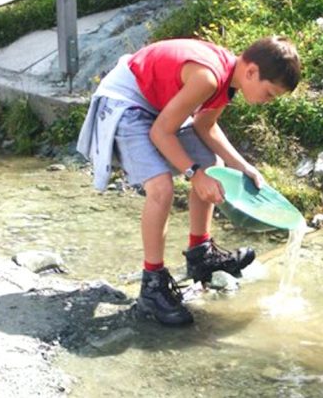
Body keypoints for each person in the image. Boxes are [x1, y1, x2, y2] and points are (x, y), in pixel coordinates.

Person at [77, 35, 301, 326]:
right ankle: (152, 285)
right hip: (125, 104)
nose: (267, 101)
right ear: (251, 72)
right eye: (269, 93)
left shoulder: (227, 80)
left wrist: (242, 165)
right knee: (161, 188)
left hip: (157, 107)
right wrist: (193, 175)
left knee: (213, 165)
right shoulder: (208, 78)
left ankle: (201, 254)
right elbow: (160, 132)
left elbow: (204, 125)